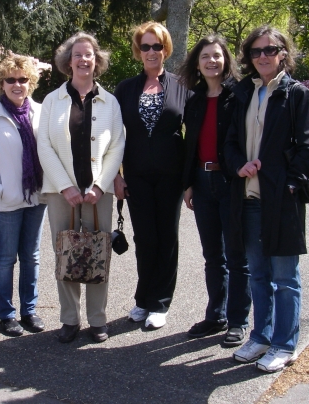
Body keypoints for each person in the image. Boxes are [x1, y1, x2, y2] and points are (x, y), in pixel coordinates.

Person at [225, 26, 309, 372]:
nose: (263, 56)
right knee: (258, 274)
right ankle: (261, 336)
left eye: (270, 49)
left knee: (284, 277)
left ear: (283, 53)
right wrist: (238, 166)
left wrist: (291, 185)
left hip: (281, 200)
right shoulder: (243, 93)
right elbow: (231, 141)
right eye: (256, 51)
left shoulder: (296, 94)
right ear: (249, 57)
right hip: (248, 198)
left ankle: (284, 343)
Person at [38, 32, 125, 344]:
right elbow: (44, 146)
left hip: (97, 194)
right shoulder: (52, 101)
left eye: (89, 54)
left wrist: (101, 186)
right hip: (62, 195)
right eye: (77, 54)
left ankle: (97, 320)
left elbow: (117, 147)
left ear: (96, 60)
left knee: (98, 252)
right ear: (68, 61)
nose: (84, 59)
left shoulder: (110, 102)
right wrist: (65, 187)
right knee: (66, 251)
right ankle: (69, 319)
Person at [113, 22, 192, 330]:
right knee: (144, 238)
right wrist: (117, 176)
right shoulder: (126, 88)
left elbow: (194, 132)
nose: (151, 52)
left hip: (171, 175)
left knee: (166, 238)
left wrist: (190, 181)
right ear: (138, 51)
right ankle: (143, 299)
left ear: (165, 49)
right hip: (136, 176)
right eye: (145, 46)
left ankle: (160, 303)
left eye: (156, 46)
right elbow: (113, 136)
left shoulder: (182, 84)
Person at [179, 35, 251, 346]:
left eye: (217, 56)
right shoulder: (193, 98)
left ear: (226, 61)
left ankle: (237, 320)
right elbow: (189, 145)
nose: (212, 61)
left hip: (231, 182)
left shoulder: (240, 94)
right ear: (197, 62)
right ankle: (215, 315)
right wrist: (188, 183)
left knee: (237, 255)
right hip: (202, 182)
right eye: (205, 56)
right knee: (212, 256)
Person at [0, 54, 47, 337]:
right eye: (10, 79)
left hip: (37, 199)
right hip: (5, 202)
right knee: (5, 259)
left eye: (23, 79)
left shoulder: (41, 113)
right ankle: (7, 315)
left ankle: (29, 311)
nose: (17, 84)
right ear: (2, 83)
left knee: (31, 257)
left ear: (31, 82)